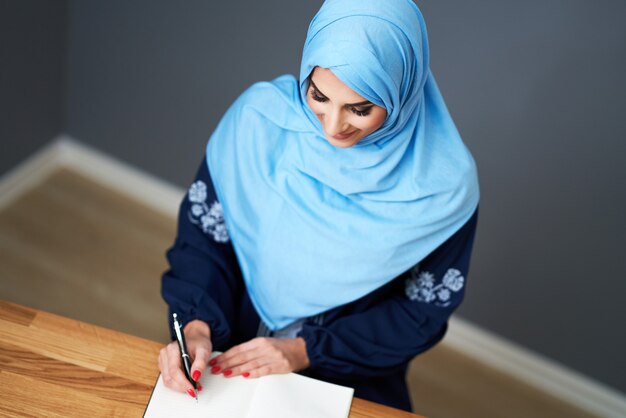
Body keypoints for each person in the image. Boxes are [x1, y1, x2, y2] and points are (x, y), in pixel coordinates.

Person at [157, 0, 479, 412]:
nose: (332, 127)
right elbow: (204, 240)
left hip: (349, 373)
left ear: (403, 91)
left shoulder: (444, 189)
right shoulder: (258, 123)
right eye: (318, 96)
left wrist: (303, 351)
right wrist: (197, 327)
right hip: (229, 349)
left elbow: (420, 314)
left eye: (360, 109)